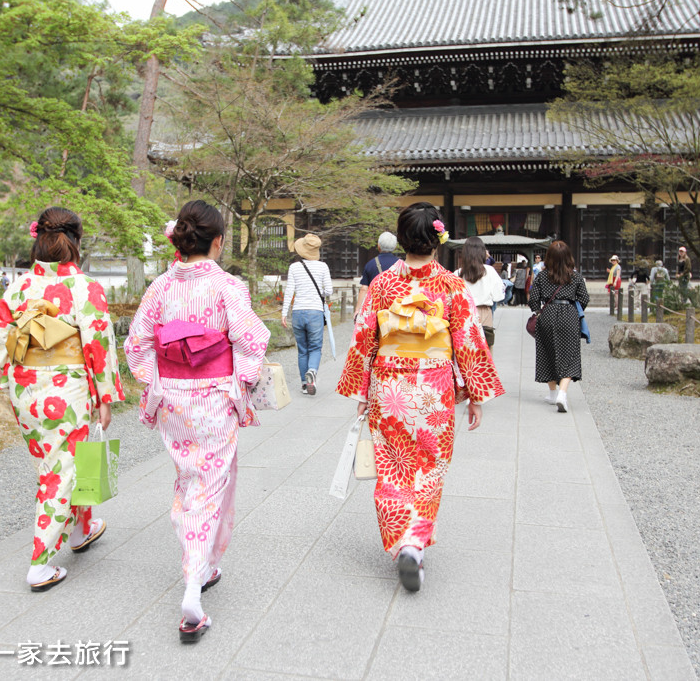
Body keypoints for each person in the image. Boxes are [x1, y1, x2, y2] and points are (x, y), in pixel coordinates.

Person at [337, 202, 504, 593]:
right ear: (438, 239)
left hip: (389, 388)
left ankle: (402, 543)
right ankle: (415, 540)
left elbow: (365, 338)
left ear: (402, 239)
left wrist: (362, 391)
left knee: (393, 468)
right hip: (434, 390)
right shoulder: (451, 285)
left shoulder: (381, 285)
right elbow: (468, 341)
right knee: (429, 469)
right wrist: (475, 394)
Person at [124, 200, 269, 643]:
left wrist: (157, 383)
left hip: (173, 400)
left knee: (191, 481)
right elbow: (251, 341)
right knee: (210, 485)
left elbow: (136, 344)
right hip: (212, 398)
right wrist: (241, 384)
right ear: (219, 242)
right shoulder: (228, 287)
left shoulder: (160, 287)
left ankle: (203, 566)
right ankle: (192, 587)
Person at [0, 207, 124, 593]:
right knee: (60, 470)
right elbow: (97, 344)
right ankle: (40, 563)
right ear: (76, 241)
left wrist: (9, 370)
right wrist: (105, 396)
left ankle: (82, 528)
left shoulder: (18, 286)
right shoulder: (83, 287)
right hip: (69, 387)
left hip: (26, 387)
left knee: (58, 460)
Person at [529, 240, 590, 413]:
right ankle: (563, 393)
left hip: (547, 314)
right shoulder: (575, 276)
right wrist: (573, 309)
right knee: (569, 354)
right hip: (569, 313)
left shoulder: (542, 276)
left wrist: (539, 311)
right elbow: (584, 298)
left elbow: (533, 299)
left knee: (547, 351)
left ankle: (553, 393)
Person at [281, 233, 332, 395]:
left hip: (297, 312)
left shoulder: (294, 267)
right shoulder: (323, 267)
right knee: (315, 347)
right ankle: (312, 371)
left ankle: (304, 384)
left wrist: (283, 313)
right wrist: (319, 293)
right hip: (315, 312)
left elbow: (289, 291)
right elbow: (328, 291)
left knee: (302, 349)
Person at [455, 236, 505, 347]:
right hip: (484, 314)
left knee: (465, 352)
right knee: (485, 354)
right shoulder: (490, 271)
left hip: (463, 314)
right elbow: (499, 296)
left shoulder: (457, 273)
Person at [355, 231, 400, 316]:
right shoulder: (401, 264)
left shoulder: (370, 264)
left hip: (376, 307)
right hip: (396, 306)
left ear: (378, 246)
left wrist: (358, 310)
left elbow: (364, 288)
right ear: (395, 247)